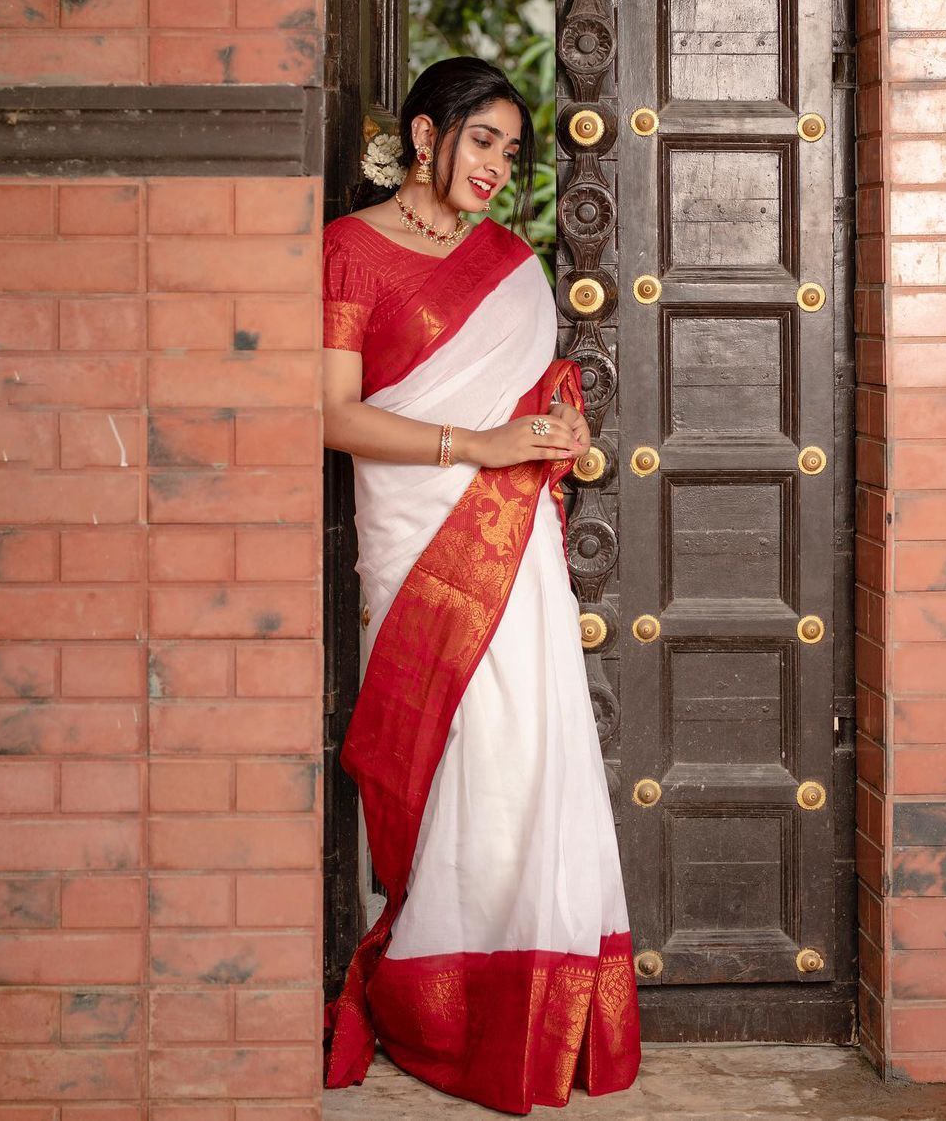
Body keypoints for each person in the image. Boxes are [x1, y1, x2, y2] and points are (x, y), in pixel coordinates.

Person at [321, 55, 641, 1115]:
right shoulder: (349, 252)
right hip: (416, 540)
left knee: (526, 749)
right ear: (425, 135)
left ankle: (535, 990)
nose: (500, 165)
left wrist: (555, 419)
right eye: (483, 141)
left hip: (514, 542)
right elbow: (333, 414)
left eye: (513, 149)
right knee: (451, 749)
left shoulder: (510, 259)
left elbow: (532, 388)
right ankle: (442, 994)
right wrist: (482, 438)